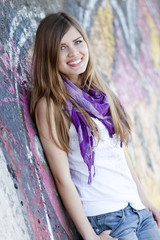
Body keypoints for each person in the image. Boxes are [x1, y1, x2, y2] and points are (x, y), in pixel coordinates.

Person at [30, 11, 160, 240]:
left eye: (78, 42)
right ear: (48, 54)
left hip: (138, 211)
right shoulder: (50, 105)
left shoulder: (102, 94)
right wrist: (90, 237)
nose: (73, 53)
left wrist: (147, 202)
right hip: (107, 219)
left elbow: (121, 157)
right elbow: (63, 179)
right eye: (62, 48)